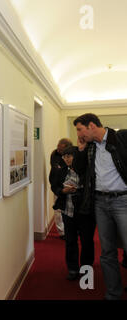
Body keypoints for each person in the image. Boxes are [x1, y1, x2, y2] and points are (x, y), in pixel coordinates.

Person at [73, 113, 127, 300]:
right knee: (107, 251)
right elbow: (80, 171)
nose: (79, 134)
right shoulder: (89, 147)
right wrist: (80, 150)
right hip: (100, 203)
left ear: (91, 126)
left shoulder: (120, 138)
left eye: (80, 129)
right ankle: (113, 294)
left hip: (123, 201)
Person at [51, 146, 95, 280]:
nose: (66, 159)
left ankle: (86, 270)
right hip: (68, 211)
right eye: (64, 157)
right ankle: (73, 269)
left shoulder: (86, 171)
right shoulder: (61, 171)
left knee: (87, 242)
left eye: (69, 156)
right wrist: (62, 191)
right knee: (70, 241)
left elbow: (93, 188)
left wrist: (79, 189)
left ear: (76, 157)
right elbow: (55, 186)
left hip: (85, 212)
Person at [49, 138, 73, 239]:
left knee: (70, 210)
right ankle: (62, 232)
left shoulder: (73, 155)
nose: (58, 150)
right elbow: (55, 169)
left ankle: (72, 229)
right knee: (58, 210)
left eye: (61, 149)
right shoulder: (54, 154)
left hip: (70, 187)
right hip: (57, 186)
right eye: (58, 147)